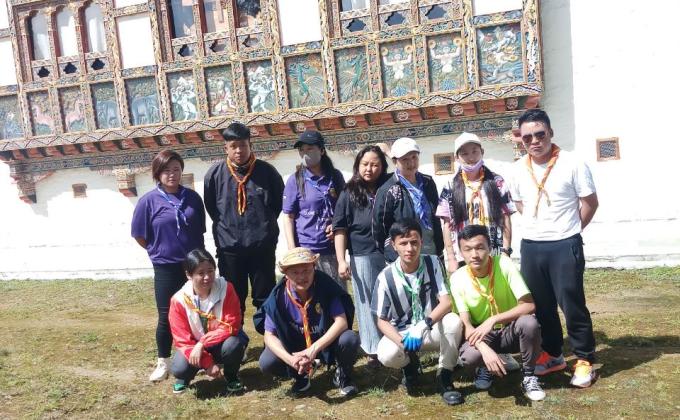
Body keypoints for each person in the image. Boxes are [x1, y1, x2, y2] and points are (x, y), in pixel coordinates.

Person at [510, 108, 599, 388]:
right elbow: (520, 203)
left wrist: (570, 231)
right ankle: (553, 354)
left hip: (564, 243)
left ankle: (584, 359)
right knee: (541, 305)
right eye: (527, 137)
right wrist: (539, 228)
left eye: (540, 134)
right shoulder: (517, 168)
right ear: (521, 139)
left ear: (550, 132)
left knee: (571, 303)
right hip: (532, 246)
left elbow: (590, 202)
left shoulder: (573, 163)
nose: (534, 141)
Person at [131, 149, 206, 382]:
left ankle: (200, 357)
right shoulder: (148, 201)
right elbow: (140, 235)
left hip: (193, 267)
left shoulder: (193, 198)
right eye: (166, 170)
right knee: (166, 315)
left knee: (198, 311)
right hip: (165, 267)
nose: (172, 174)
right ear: (157, 173)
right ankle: (163, 361)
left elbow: (199, 231)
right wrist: (158, 250)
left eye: (176, 169)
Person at [372, 219, 464, 406]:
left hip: (430, 327)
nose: (410, 248)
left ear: (421, 241)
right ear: (394, 245)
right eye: (403, 243)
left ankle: (444, 375)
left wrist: (423, 324)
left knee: (453, 321)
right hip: (404, 334)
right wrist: (403, 343)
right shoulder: (385, 277)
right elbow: (381, 320)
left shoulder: (433, 262)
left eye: (414, 242)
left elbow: (446, 302)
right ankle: (409, 366)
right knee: (386, 353)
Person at [449, 225, 545, 401]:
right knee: (470, 356)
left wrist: (493, 319)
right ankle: (485, 366)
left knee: (529, 323)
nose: (474, 254)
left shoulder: (504, 264)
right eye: (467, 249)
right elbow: (466, 325)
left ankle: (529, 376)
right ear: (461, 253)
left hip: (509, 329)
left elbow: (529, 305)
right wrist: (484, 349)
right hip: (480, 334)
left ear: (490, 248)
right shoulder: (457, 278)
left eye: (480, 247)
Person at [204, 122, 284, 323]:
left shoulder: (267, 172)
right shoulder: (214, 175)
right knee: (232, 297)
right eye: (233, 146)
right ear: (226, 148)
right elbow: (213, 209)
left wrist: (262, 229)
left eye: (243, 145)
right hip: (230, 249)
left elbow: (276, 206)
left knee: (265, 296)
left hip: (261, 248)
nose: (239, 150)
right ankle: (235, 336)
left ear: (250, 145)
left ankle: (269, 334)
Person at [256, 247, 360, 396]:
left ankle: (343, 374)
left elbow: (341, 321)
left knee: (349, 338)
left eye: (306, 270)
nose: (301, 277)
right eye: (295, 272)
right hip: (295, 346)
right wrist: (291, 360)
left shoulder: (326, 286)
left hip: (324, 343)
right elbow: (269, 335)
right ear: (285, 274)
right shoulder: (278, 297)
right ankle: (300, 375)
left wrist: (313, 349)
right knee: (267, 361)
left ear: (314, 268)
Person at [333, 145, 390, 367]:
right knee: (366, 303)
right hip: (362, 254)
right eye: (365, 164)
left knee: (390, 300)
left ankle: (393, 343)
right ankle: (373, 349)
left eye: (375, 164)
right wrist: (341, 260)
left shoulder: (389, 188)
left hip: (389, 253)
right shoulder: (348, 193)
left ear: (382, 166)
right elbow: (340, 229)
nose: (369, 169)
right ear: (357, 165)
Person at [168, 249, 246, 394]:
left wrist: (202, 343)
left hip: (221, 343)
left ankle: (231, 375)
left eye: (210, 271)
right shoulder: (178, 300)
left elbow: (232, 325)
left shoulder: (226, 289)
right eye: (200, 273)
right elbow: (182, 340)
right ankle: (184, 378)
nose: (207, 277)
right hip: (193, 346)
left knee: (234, 345)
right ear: (189, 275)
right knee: (179, 368)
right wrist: (208, 363)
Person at [436, 132, 515, 273]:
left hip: (494, 253)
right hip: (464, 256)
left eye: (475, 151)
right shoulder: (450, 186)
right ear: (457, 157)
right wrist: (451, 258)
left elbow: (505, 218)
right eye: (464, 154)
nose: (471, 157)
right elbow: (447, 224)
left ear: (482, 152)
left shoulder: (497, 182)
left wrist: (506, 251)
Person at [283, 130, 346, 286]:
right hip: (306, 251)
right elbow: (288, 217)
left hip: (332, 249)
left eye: (310, 148)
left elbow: (345, 209)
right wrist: (292, 251)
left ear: (322, 150)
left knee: (335, 294)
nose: (305, 153)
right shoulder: (295, 180)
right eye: (301, 150)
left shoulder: (335, 176)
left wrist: (336, 225)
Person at [374, 137, 443, 262]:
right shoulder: (388, 189)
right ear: (395, 161)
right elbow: (380, 227)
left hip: (431, 250)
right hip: (403, 256)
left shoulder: (427, 182)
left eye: (414, 157)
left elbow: (435, 216)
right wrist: (391, 252)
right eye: (405, 159)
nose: (411, 163)